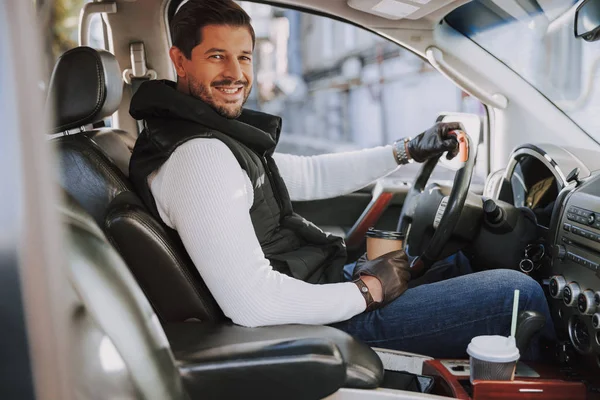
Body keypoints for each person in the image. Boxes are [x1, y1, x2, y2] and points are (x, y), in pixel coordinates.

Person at [128, 0, 554, 359]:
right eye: (216, 55)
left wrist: (407, 150)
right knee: (515, 294)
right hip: (306, 326)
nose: (236, 74)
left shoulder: (207, 139)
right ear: (180, 61)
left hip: (317, 290)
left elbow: (309, 174)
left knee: (459, 262)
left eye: (244, 57)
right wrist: (367, 291)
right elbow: (252, 302)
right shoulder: (198, 157)